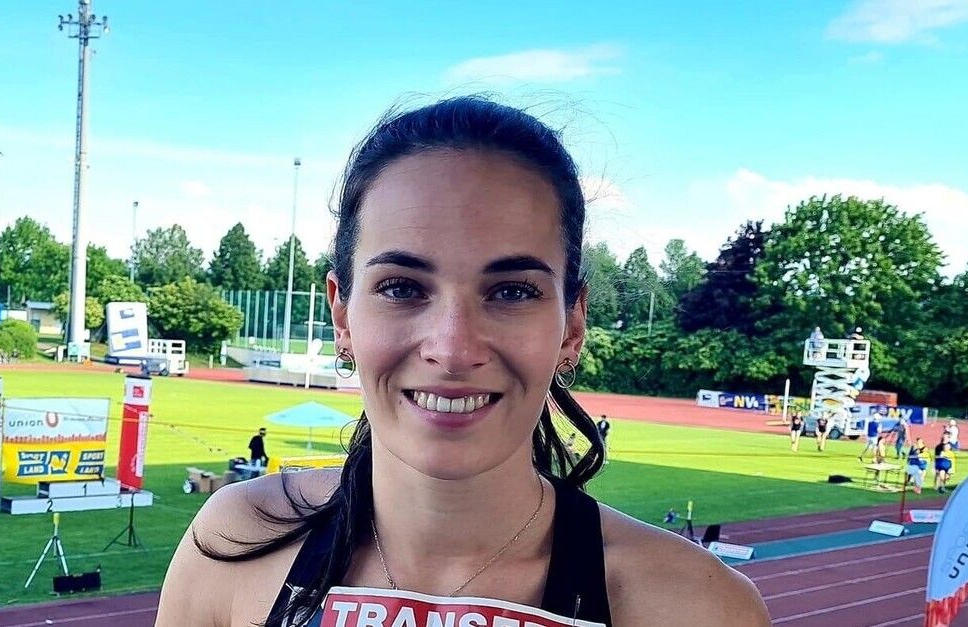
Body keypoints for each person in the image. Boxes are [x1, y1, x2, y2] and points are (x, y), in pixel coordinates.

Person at [157, 97, 769, 626]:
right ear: (342, 315)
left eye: (512, 291)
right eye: (401, 287)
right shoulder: (236, 543)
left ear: (572, 324)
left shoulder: (699, 609)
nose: (451, 349)